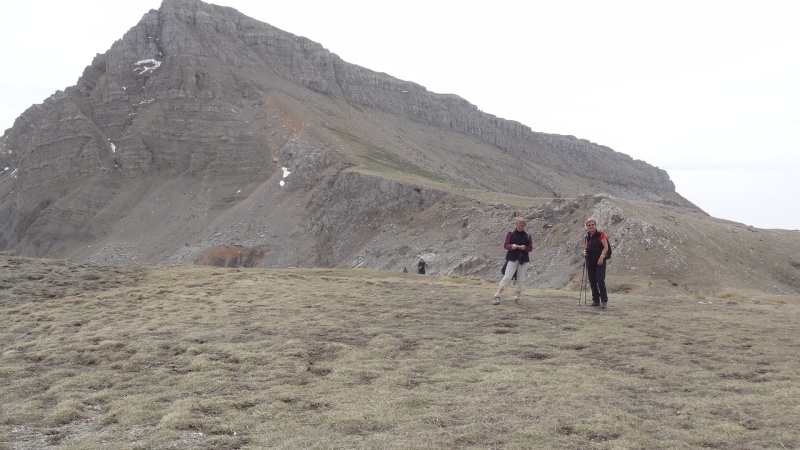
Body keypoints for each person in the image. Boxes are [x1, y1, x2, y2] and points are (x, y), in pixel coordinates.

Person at [493, 217, 532, 305]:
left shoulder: (527, 236)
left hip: (524, 259)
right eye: (519, 225)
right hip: (512, 257)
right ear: (516, 225)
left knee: (520, 279)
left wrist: (525, 247)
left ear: (524, 226)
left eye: (522, 226)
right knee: (507, 276)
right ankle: (497, 295)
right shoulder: (510, 234)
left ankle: (517, 297)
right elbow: (506, 245)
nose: (520, 227)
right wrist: (511, 246)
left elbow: (530, 248)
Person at [583, 217, 610, 308]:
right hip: (590, 260)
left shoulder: (601, 235)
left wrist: (602, 257)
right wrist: (584, 253)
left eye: (592, 225)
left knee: (600, 280)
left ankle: (604, 300)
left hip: (600, 260)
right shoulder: (587, 236)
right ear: (586, 226)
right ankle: (596, 300)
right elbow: (587, 248)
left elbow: (606, 247)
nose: (591, 226)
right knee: (592, 280)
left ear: (595, 225)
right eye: (589, 225)